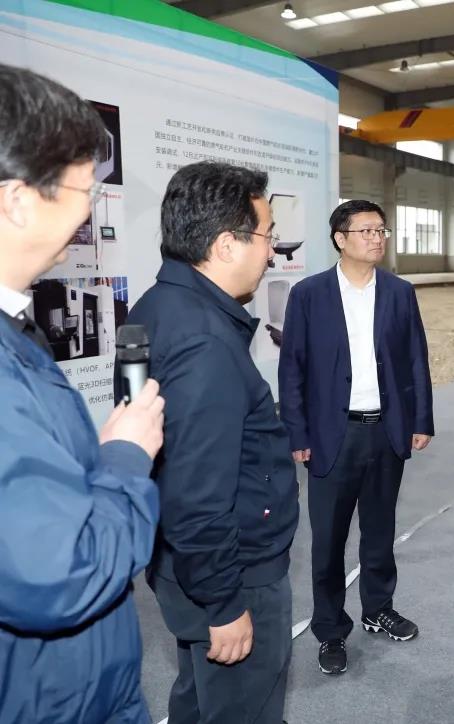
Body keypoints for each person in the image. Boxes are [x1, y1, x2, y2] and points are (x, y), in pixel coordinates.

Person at [0, 64, 164, 723]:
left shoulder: (16, 326)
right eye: (83, 188)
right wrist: (125, 458)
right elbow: (61, 573)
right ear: (18, 201)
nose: (91, 208)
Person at [126, 161, 299, 724]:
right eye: (268, 236)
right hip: (232, 572)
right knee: (242, 707)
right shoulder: (204, 341)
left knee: (200, 697)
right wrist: (225, 604)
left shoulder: (156, 307)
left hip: (182, 561)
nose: (272, 253)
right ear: (227, 244)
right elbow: (199, 494)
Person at [279, 199, 433, 676]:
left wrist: (421, 420)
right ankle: (330, 629)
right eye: (365, 230)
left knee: (380, 530)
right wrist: (297, 431)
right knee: (328, 540)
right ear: (340, 239)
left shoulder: (399, 292)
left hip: (386, 430)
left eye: (380, 230)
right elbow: (292, 369)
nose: (376, 238)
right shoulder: (309, 294)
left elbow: (416, 359)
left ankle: (378, 608)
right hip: (333, 434)